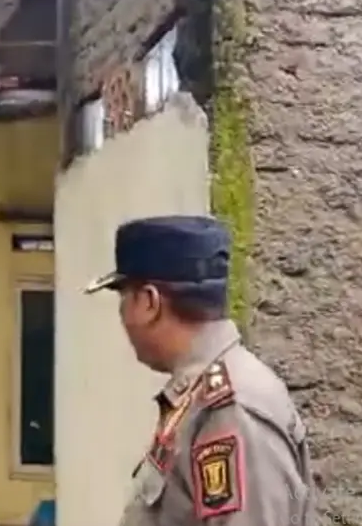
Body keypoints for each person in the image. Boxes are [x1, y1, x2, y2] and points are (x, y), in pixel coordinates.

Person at [85, 215, 317, 526]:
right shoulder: (201, 398)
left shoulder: (231, 410)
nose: (122, 314)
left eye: (124, 295)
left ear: (149, 302)